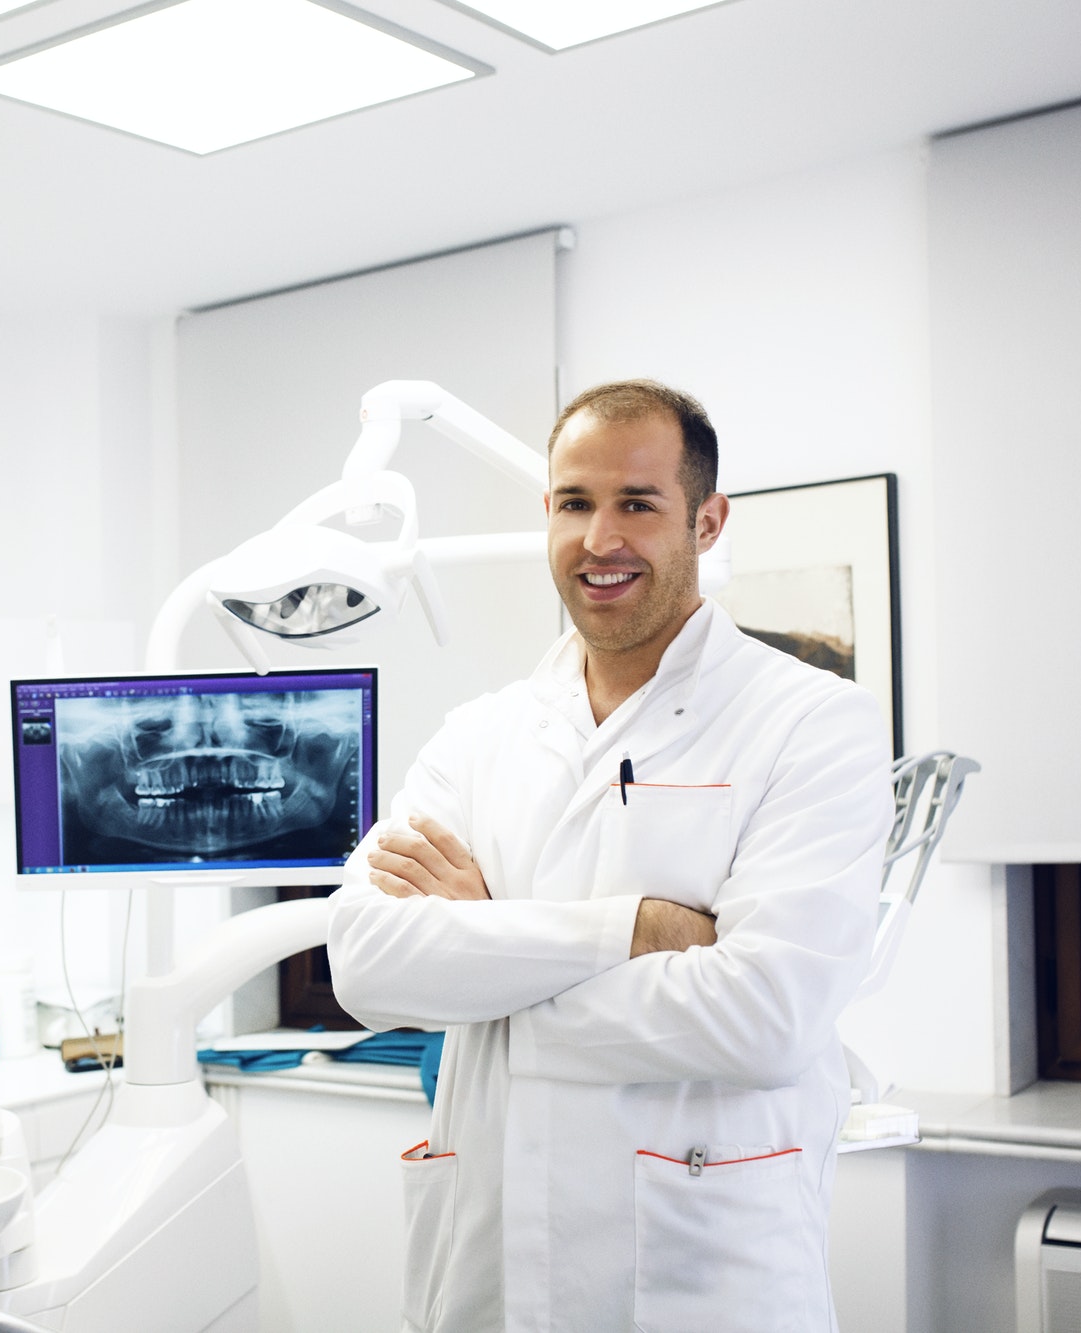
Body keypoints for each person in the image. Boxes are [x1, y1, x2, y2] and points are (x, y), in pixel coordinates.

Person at [325, 380, 894, 1333]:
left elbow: (765, 1019)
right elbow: (366, 965)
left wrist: (485, 962)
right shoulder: (478, 735)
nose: (601, 539)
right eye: (576, 503)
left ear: (707, 522)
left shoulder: (812, 723)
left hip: (702, 1276)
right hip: (490, 1270)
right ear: (546, 512)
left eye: (639, 503)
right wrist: (635, 929)